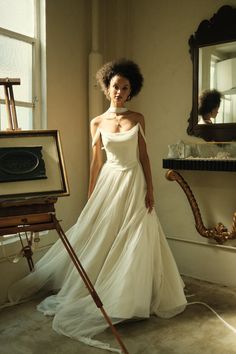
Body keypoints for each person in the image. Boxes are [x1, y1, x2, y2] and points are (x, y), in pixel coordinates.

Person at [7, 58, 187, 352]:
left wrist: (151, 189)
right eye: (115, 86)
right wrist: (91, 196)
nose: (119, 91)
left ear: (131, 91)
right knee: (105, 236)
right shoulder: (97, 122)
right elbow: (96, 162)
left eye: (125, 87)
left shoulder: (138, 118)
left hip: (134, 181)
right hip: (109, 182)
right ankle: (106, 292)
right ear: (107, 88)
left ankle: (132, 298)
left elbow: (143, 157)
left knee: (137, 236)